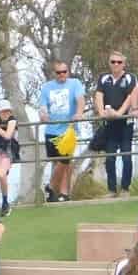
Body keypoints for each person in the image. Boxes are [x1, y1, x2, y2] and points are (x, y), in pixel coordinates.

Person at [36, 59, 87, 202]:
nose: (62, 75)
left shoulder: (75, 83)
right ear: (54, 73)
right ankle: (58, 194)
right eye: (58, 73)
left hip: (68, 130)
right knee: (60, 163)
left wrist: (79, 113)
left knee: (64, 161)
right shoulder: (47, 87)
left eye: (64, 72)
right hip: (51, 130)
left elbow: (80, 100)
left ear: (68, 72)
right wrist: (43, 114)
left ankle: (53, 187)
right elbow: (43, 105)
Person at [87, 53, 137, 197]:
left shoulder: (129, 78)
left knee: (126, 157)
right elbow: (99, 95)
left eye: (119, 62)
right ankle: (111, 189)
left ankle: (125, 189)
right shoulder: (104, 78)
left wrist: (120, 112)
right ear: (109, 63)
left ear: (124, 64)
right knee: (110, 158)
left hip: (125, 124)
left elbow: (131, 96)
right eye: (113, 61)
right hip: (110, 125)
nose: (116, 64)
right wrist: (102, 112)